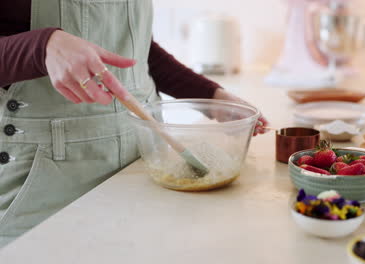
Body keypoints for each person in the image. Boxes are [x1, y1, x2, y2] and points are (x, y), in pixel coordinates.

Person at [0, 0, 268, 247]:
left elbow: (133, 47)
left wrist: (211, 95)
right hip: (45, 178)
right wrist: (41, 47)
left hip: (143, 162)